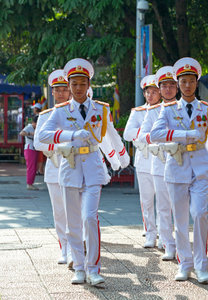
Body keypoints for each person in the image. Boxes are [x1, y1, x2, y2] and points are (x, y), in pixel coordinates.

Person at [39, 58, 129, 286]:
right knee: (73, 222)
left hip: (93, 168)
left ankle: (93, 268)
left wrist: (119, 157)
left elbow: (110, 136)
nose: (78, 88)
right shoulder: (60, 111)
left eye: (82, 83)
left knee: (90, 217)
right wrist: (69, 136)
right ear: (69, 86)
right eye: (74, 84)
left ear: (89, 84)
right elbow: (43, 136)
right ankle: (78, 267)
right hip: (69, 169)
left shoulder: (100, 108)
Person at [150, 57, 208, 283]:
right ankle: (184, 264)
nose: (187, 85)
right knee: (181, 218)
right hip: (176, 167)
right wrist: (183, 135)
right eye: (183, 81)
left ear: (196, 83)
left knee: (199, 214)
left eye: (191, 81)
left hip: (200, 167)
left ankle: (201, 264)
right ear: (177, 84)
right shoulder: (167, 110)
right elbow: (155, 135)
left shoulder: (206, 110)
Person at [137, 66, 178, 261]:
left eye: (172, 85)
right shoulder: (153, 112)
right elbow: (143, 135)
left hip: (182, 161)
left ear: (177, 88)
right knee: (162, 205)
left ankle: (179, 241)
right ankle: (168, 244)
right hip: (160, 161)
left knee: (179, 206)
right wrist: (161, 137)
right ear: (159, 89)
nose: (168, 90)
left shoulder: (184, 108)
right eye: (164, 86)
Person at [33, 70, 71, 264]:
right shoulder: (45, 115)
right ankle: (64, 248)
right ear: (53, 92)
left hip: (74, 167)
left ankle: (75, 247)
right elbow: (38, 143)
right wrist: (61, 144)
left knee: (75, 210)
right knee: (59, 211)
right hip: (55, 166)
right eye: (58, 90)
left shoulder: (75, 114)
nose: (62, 93)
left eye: (65, 89)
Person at [123, 75, 160, 248]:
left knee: (163, 198)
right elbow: (127, 134)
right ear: (144, 94)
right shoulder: (137, 112)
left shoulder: (165, 109)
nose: (151, 95)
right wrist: (149, 132)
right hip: (144, 158)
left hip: (161, 158)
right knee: (146, 200)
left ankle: (163, 230)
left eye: (154, 92)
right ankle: (150, 232)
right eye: (148, 92)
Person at [20, 115, 39, 190]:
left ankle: (31, 183)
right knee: (31, 167)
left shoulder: (36, 128)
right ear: (34, 122)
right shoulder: (29, 127)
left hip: (34, 149)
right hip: (29, 148)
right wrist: (30, 133)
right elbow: (22, 133)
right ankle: (29, 184)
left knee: (34, 167)